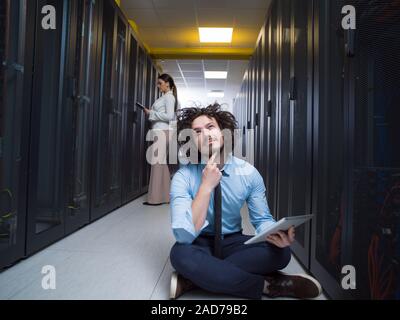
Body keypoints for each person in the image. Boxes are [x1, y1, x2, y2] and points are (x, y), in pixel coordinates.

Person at [168, 103, 322, 299]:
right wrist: (206, 187)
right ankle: (270, 285)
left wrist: (276, 233)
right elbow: (184, 235)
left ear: (224, 132)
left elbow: (262, 220)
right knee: (180, 255)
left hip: (233, 241)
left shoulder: (249, 173)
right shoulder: (183, 176)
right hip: (200, 242)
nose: (205, 135)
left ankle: (194, 279)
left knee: (281, 253)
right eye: (197, 132)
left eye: (210, 127)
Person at [142, 74, 177, 205]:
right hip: (162, 132)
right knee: (161, 164)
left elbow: (169, 116)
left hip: (162, 132)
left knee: (157, 164)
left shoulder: (169, 97)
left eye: (160, 83)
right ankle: (167, 197)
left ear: (167, 84)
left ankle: (154, 199)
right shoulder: (165, 97)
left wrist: (151, 113)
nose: (158, 86)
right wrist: (151, 113)